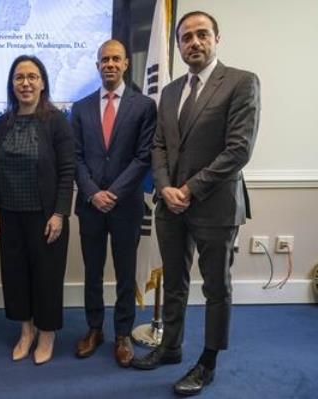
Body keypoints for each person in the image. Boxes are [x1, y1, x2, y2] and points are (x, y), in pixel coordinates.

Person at [131, 11, 260, 396]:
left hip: (215, 206)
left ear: (217, 38)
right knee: (174, 282)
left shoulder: (241, 82)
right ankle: (170, 347)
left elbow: (239, 150)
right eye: (186, 37)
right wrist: (168, 188)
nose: (194, 42)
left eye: (202, 34)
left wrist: (188, 189)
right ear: (179, 46)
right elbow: (159, 146)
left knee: (216, 287)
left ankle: (207, 361)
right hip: (171, 206)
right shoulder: (170, 92)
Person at [71, 39, 156, 367]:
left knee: (124, 273)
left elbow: (143, 156)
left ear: (125, 65)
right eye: (104, 59)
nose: (109, 64)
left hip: (126, 205)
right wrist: (93, 192)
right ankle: (94, 329)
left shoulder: (144, 106)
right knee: (92, 272)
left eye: (115, 59)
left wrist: (114, 193)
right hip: (91, 205)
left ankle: (122, 334)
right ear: (97, 65)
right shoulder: (80, 107)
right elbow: (75, 157)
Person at [0, 55, 74, 365]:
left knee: (47, 277)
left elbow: (67, 170)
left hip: (46, 216)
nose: (26, 83)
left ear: (43, 82)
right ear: (12, 84)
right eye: (19, 77)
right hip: (10, 215)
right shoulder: (3, 123)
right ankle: (26, 331)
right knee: (16, 276)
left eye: (32, 77)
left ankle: (47, 333)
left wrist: (60, 213)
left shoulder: (56, 121)